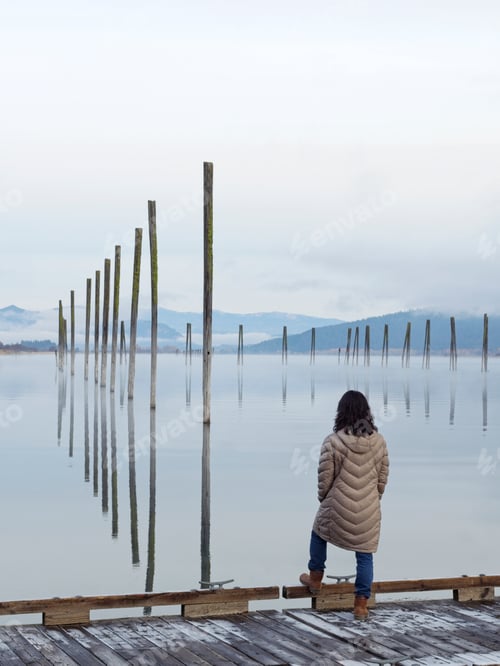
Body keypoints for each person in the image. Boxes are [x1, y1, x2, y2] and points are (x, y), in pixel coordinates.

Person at [299, 390, 389, 620]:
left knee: (318, 532)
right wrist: (373, 498)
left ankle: (316, 579)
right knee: (365, 554)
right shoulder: (379, 442)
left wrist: (325, 501)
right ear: (366, 414)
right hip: (369, 508)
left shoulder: (333, 441)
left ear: (341, 412)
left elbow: (324, 479)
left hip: (337, 507)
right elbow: (382, 478)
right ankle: (360, 605)